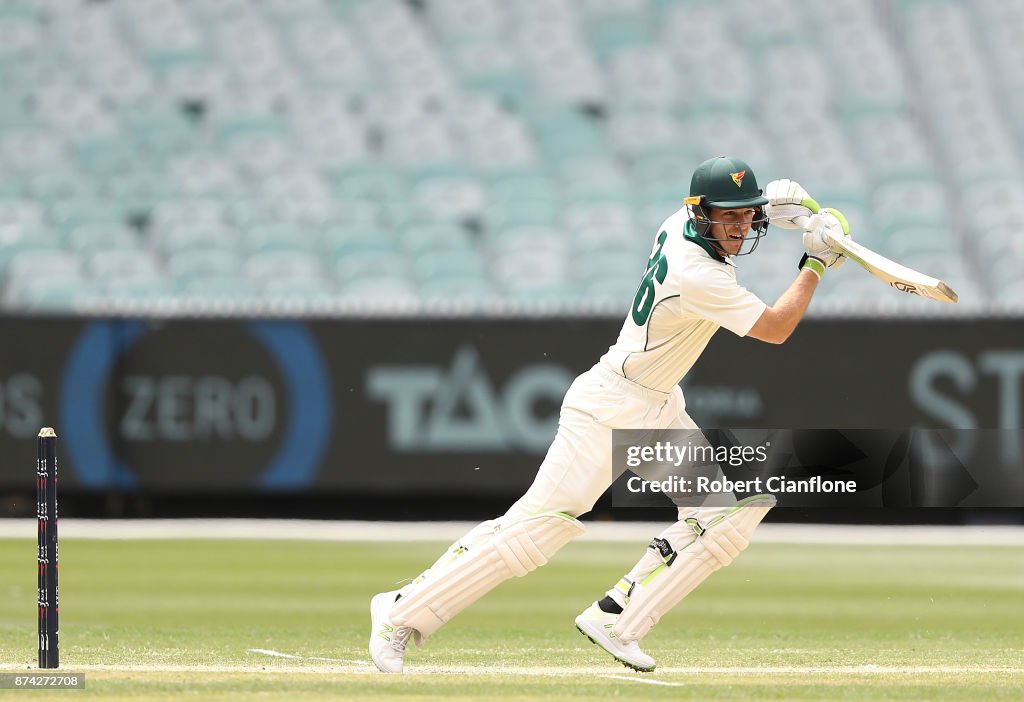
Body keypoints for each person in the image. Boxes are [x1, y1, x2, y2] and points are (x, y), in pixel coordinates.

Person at [368, 156, 850, 673]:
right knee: (535, 531)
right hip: (609, 408)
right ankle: (400, 612)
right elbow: (776, 328)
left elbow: (733, 215)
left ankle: (618, 618)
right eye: (726, 217)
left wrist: (780, 209)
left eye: (745, 215)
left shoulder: (678, 223)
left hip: (657, 407)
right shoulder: (697, 274)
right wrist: (815, 263)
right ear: (700, 214)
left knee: (724, 517)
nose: (737, 228)